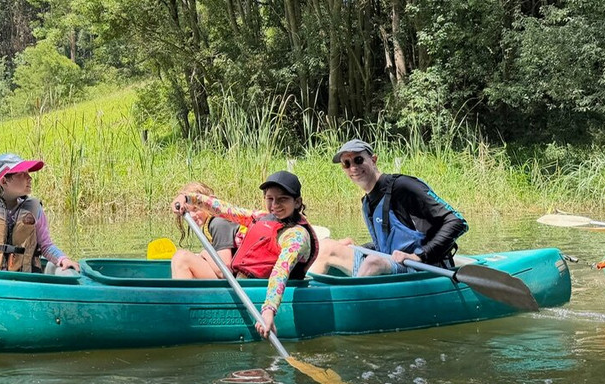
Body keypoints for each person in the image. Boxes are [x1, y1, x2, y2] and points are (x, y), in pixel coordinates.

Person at [171, 171, 318, 338]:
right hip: (243, 283)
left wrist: (269, 310)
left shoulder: (296, 235)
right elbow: (226, 209)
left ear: (297, 202)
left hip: (260, 292)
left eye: (282, 199)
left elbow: (280, 271)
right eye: (270, 198)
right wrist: (188, 198)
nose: (275, 205)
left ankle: (179, 321)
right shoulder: (261, 217)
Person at [309, 138, 467, 277]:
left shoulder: (403, 186)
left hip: (424, 266)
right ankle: (301, 296)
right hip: (392, 263)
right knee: (326, 246)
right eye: (346, 163)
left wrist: (420, 256)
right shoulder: (367, 201)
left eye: (358, 160)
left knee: (373, 262)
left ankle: (355, 305)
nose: (353, 168)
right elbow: (389, 245)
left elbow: (457, 222)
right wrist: (358, 248)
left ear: (373, 159)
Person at [172, 180, 244, 270]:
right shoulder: (208, 225)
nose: (192, 216)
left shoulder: (218, 223)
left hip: (235, 280)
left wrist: (204, 253)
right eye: (187, 211)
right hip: (229, 277)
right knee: (179, 258)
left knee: (182, 258)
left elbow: (224, 269)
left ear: (208, 205)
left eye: (195, 209)